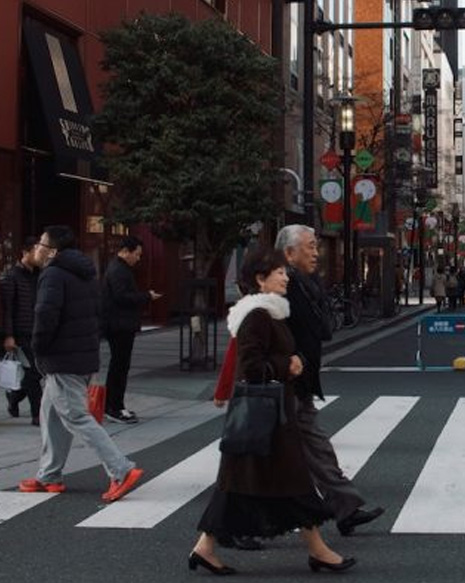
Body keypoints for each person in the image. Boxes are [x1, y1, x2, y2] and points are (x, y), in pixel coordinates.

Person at [192, 247, 353, 575]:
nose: (285, 277)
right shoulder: (258, 316)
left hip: (267, 414)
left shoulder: (269, 312)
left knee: (244, 486)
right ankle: (318, 550)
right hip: (265, 415)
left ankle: (205, 547)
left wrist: (288, 362)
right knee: (288, 481)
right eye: (279, 272)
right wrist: (287, 364)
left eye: (284, 271)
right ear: (260, 280)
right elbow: (250, 367)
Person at [19, 225, 144, 501]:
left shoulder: (52, 274)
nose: (37, 247)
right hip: (80, 355)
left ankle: (121, 469)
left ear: (52, 251)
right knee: (51, 414)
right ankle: (49, 475)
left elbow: (46, 316)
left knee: (76, 416)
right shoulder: (84, 273)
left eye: (41, 243)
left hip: (62, 358)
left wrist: (37, 349)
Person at [276, 225, 383, 538]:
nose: (316, 252)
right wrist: (287, 361)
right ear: (289, 253)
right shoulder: (279, 285)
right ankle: (233, 525)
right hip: (282, 385)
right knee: (256, 462)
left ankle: (345, 508)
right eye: (310, 246)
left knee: (317, 448)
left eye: (315, 246)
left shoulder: (306, 283)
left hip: (301, 382)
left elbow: (321, 327)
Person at [101, 235, 161, 424]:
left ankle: (115, 405)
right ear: (126, 251)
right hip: (119, 325)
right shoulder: (118, 270)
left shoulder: (119, 268)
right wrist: (146, 296)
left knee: (120, 366)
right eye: (137, 254)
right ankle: (114, 407)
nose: (138, 258)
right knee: (119, 366)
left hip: (120, 324)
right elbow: (122, 297)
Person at [2, 236, 43, 425]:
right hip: (20, 332)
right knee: (34, 372)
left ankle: (15, 396)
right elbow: (7, 308)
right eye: (36, 251)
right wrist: (9, 336)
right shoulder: (12, 276)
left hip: (37, 330)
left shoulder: (39, 275)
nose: (40, 255)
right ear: (25, 252)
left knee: (37, 372)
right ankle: (38, 414)